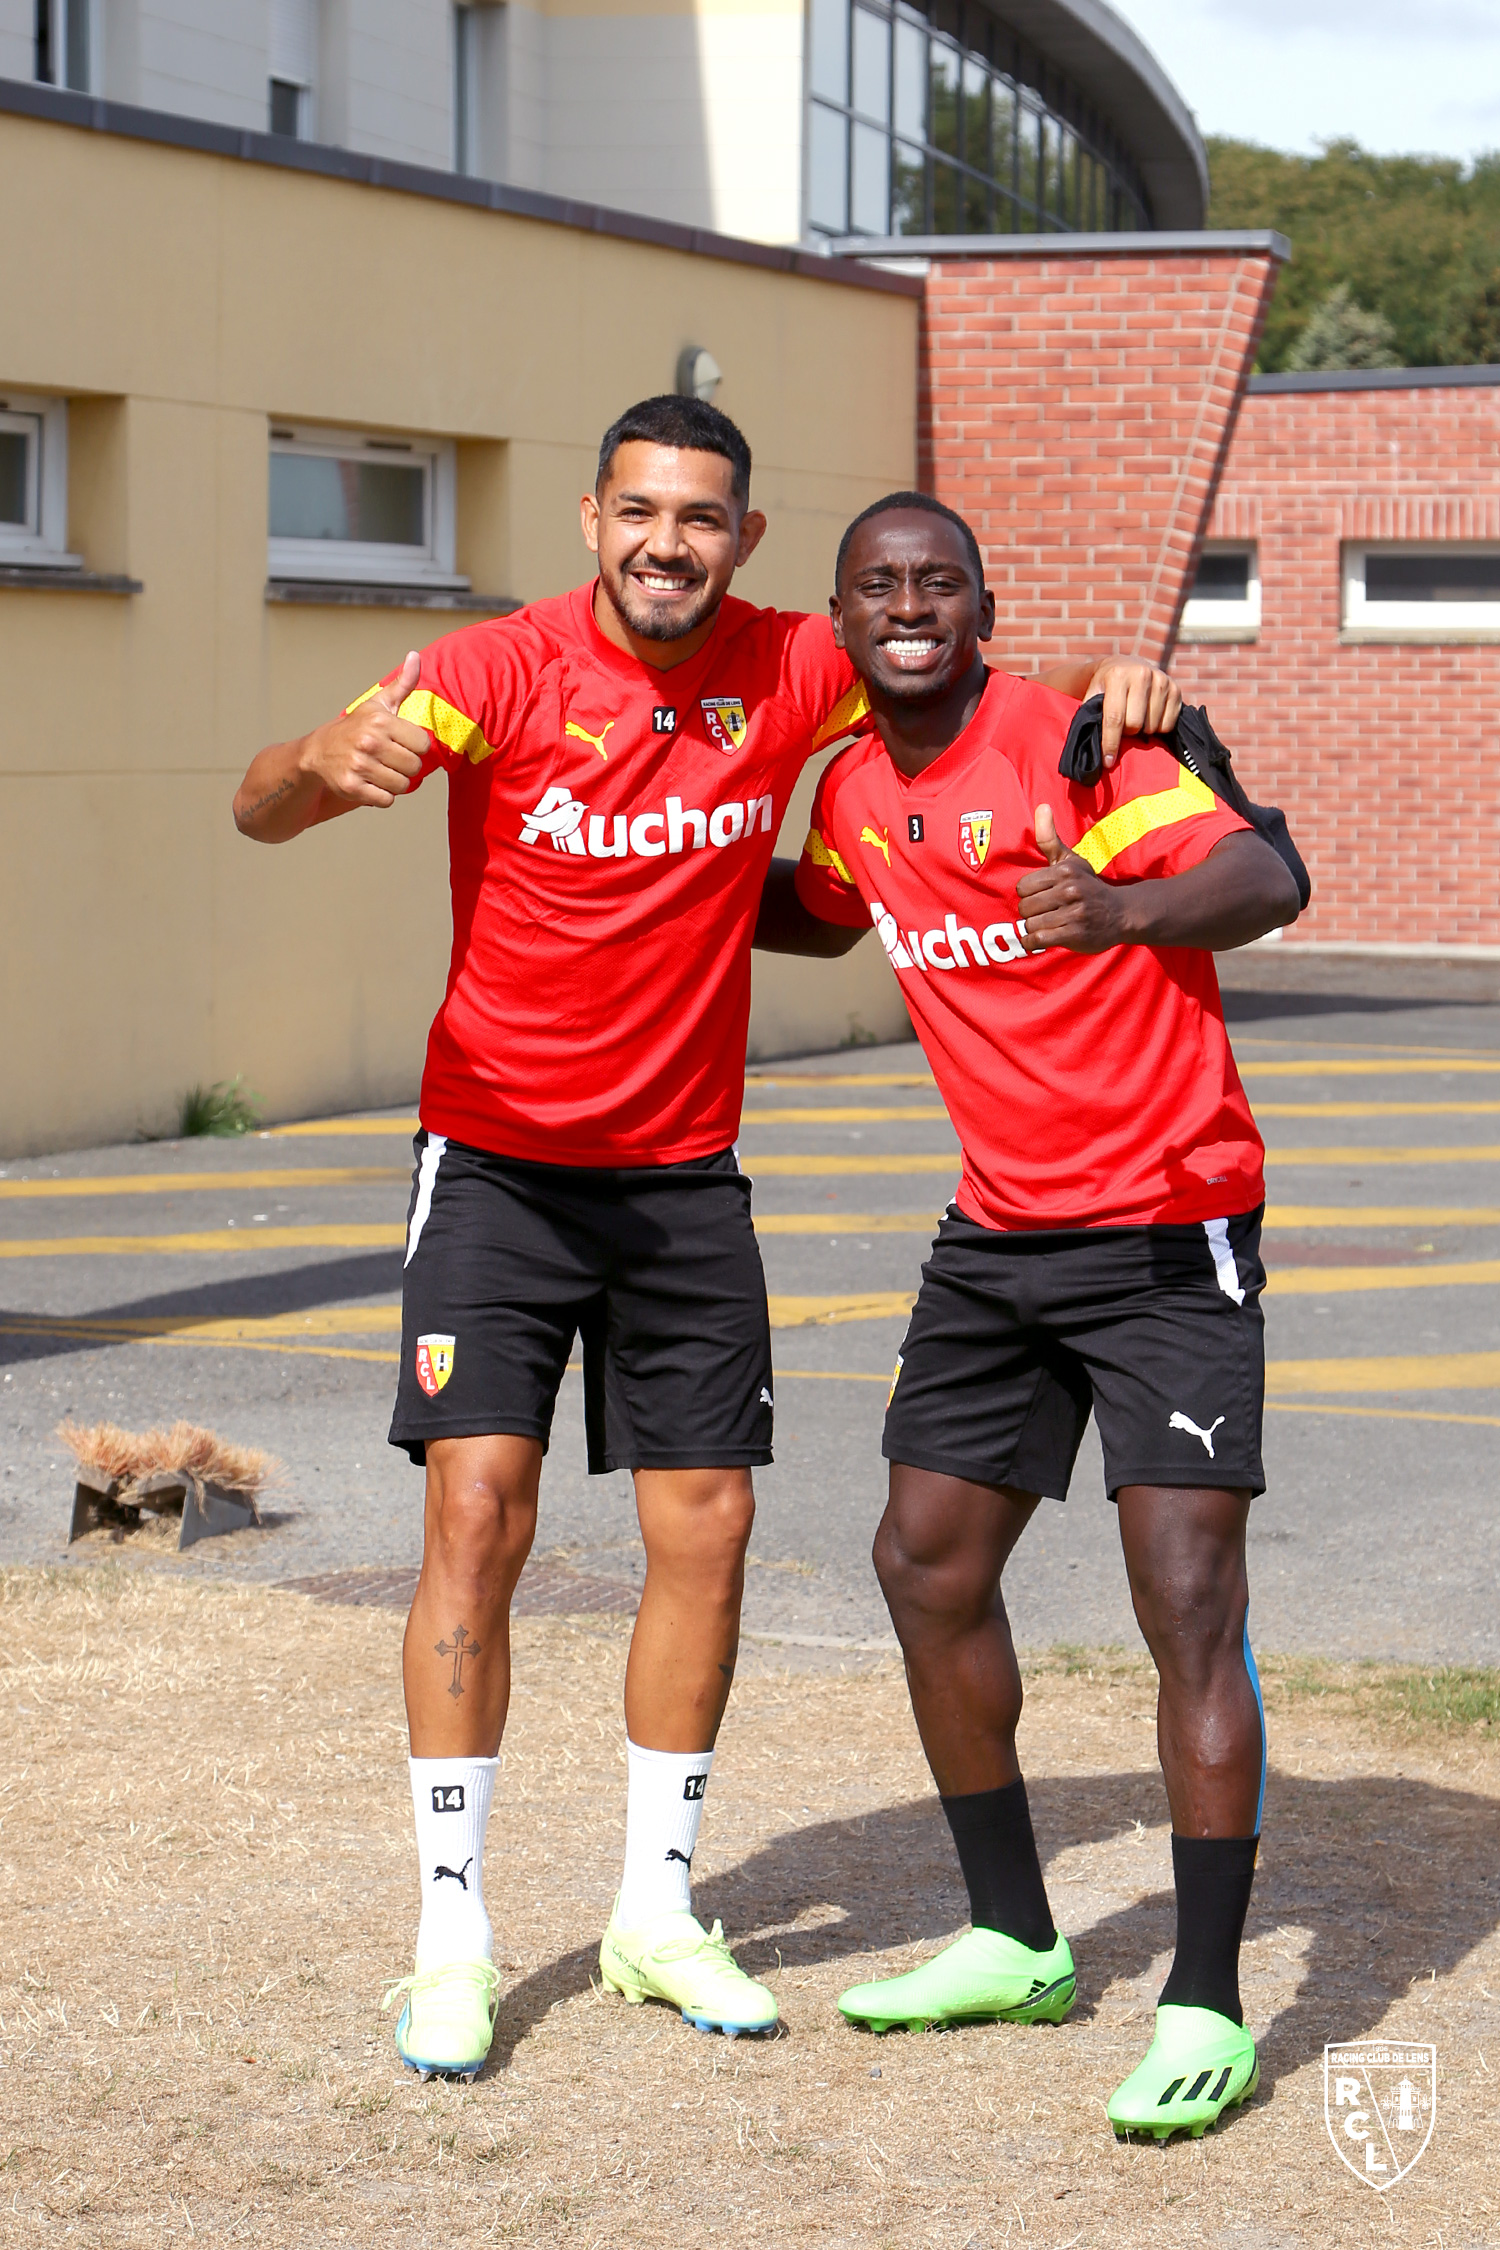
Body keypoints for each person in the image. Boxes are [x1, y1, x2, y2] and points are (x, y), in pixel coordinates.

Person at [232, 399, 1178, 2080]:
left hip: (682, 1179)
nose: (669, 541)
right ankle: (451, 1941)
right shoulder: (492, 671)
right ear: (593, 517)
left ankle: (657, 1912)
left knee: (710, 1523)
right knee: (478, 1509)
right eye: (641, 511)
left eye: (704, 518)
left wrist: (1129, 691)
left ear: (743, 539)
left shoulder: (793, 659)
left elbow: (939, 645)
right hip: (499, 1168)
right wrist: (314, 768)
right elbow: (258, 806)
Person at [755, 489, 1300, 2140]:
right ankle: (1013, 1933)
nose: (907, 605)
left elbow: (1265, 870)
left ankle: (1204, 2000)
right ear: (843, 619)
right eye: (878, 586)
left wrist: (1124, 908)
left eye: (937, 583)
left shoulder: (1077, 746)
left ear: (983, 609)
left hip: (1165, 1225)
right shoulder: (850, 784)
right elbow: (817, 903)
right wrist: (646, 844)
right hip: (997, 1236)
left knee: (1184, 1594)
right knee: (923, 1559)